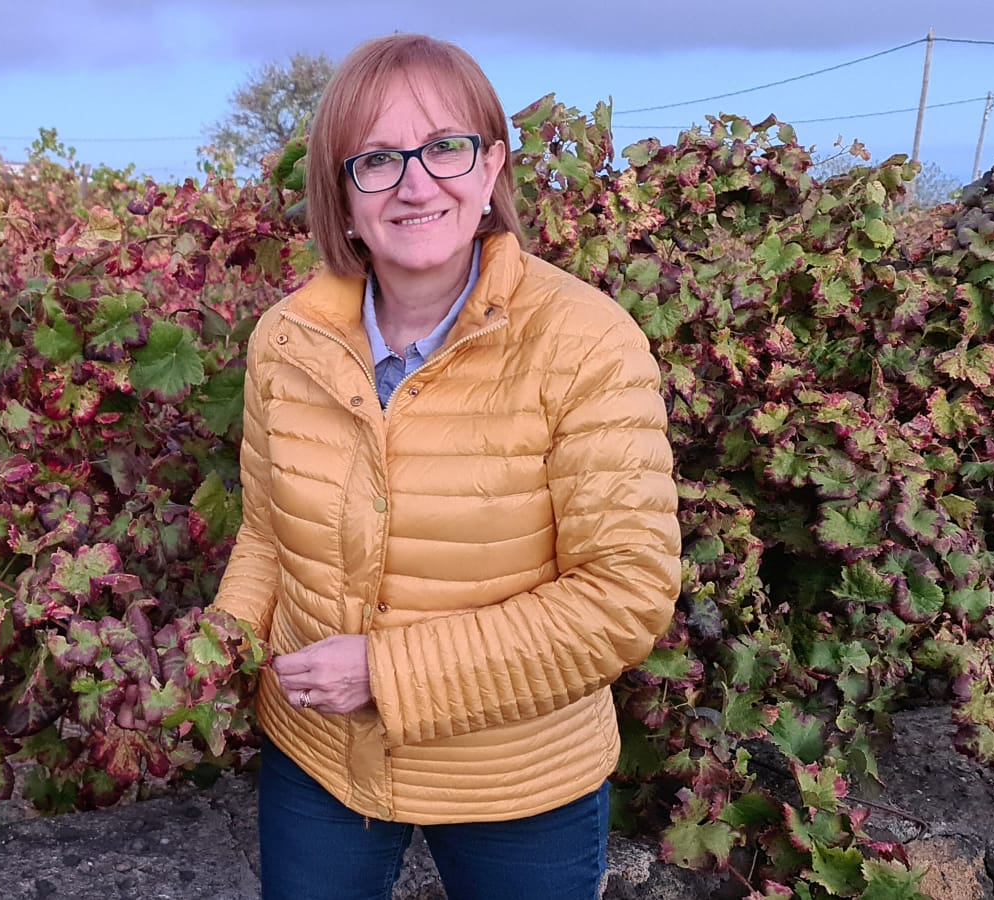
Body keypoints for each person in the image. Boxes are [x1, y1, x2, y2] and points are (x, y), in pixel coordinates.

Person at [210, 33, 682, 900]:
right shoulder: (286, 341)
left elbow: (625, 592)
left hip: (520, 777)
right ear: (342, 198)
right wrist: (217, 655)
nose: (416, 182)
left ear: (491, 165)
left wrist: (383, 674)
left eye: (445, 148)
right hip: (323, 758)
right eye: (378, 159)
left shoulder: (586, 342)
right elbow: (269, 535)